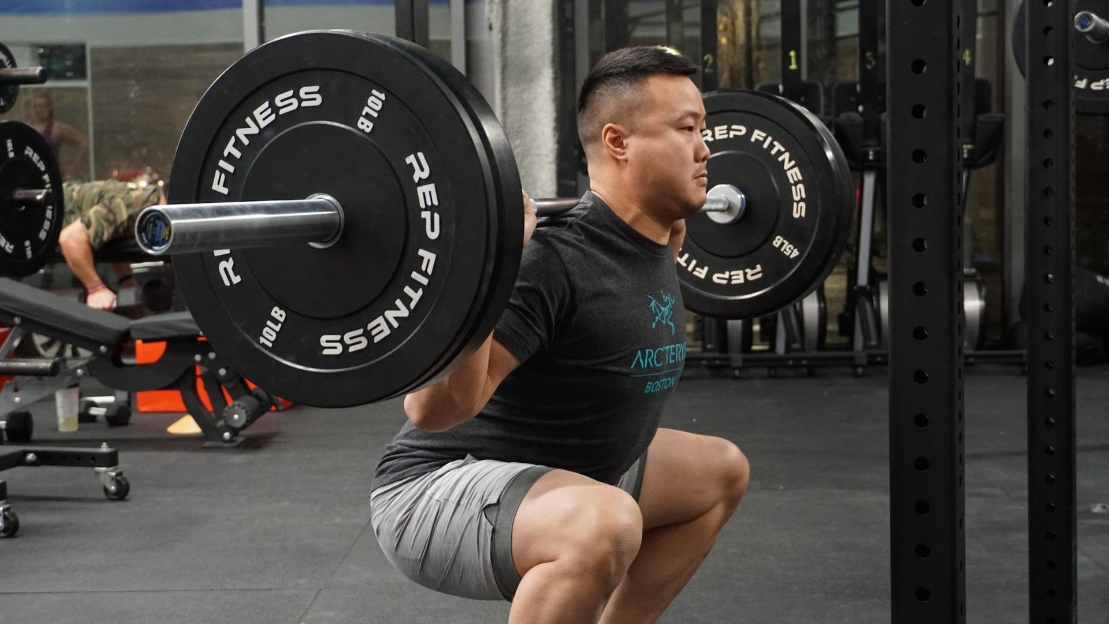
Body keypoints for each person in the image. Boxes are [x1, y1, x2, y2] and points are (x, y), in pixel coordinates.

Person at [370, 47, 749, 624]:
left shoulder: (659, 236)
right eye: (685, 129)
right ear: (618, 142)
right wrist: (489, 269)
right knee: (606, 522)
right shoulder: (551, 263)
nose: (704, 148)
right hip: (433, 489)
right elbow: (431, 410)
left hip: (572, 471)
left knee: (719, 472)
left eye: (703, 129)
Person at [58, 172, 166, 311]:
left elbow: (112, 233)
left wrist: (125, 279)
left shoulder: (146, 208)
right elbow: (70, 239)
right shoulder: (137, 205)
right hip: (39, 216)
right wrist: (96, 289)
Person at [28, 91, 89, 181]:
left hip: (51, 177)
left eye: (41, 106)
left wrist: (73, 167)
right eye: (35, 106)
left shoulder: (56, 128)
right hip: (31, 177)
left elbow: (83, 142)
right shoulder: (27, 128)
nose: (38, 110)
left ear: (49, 108)